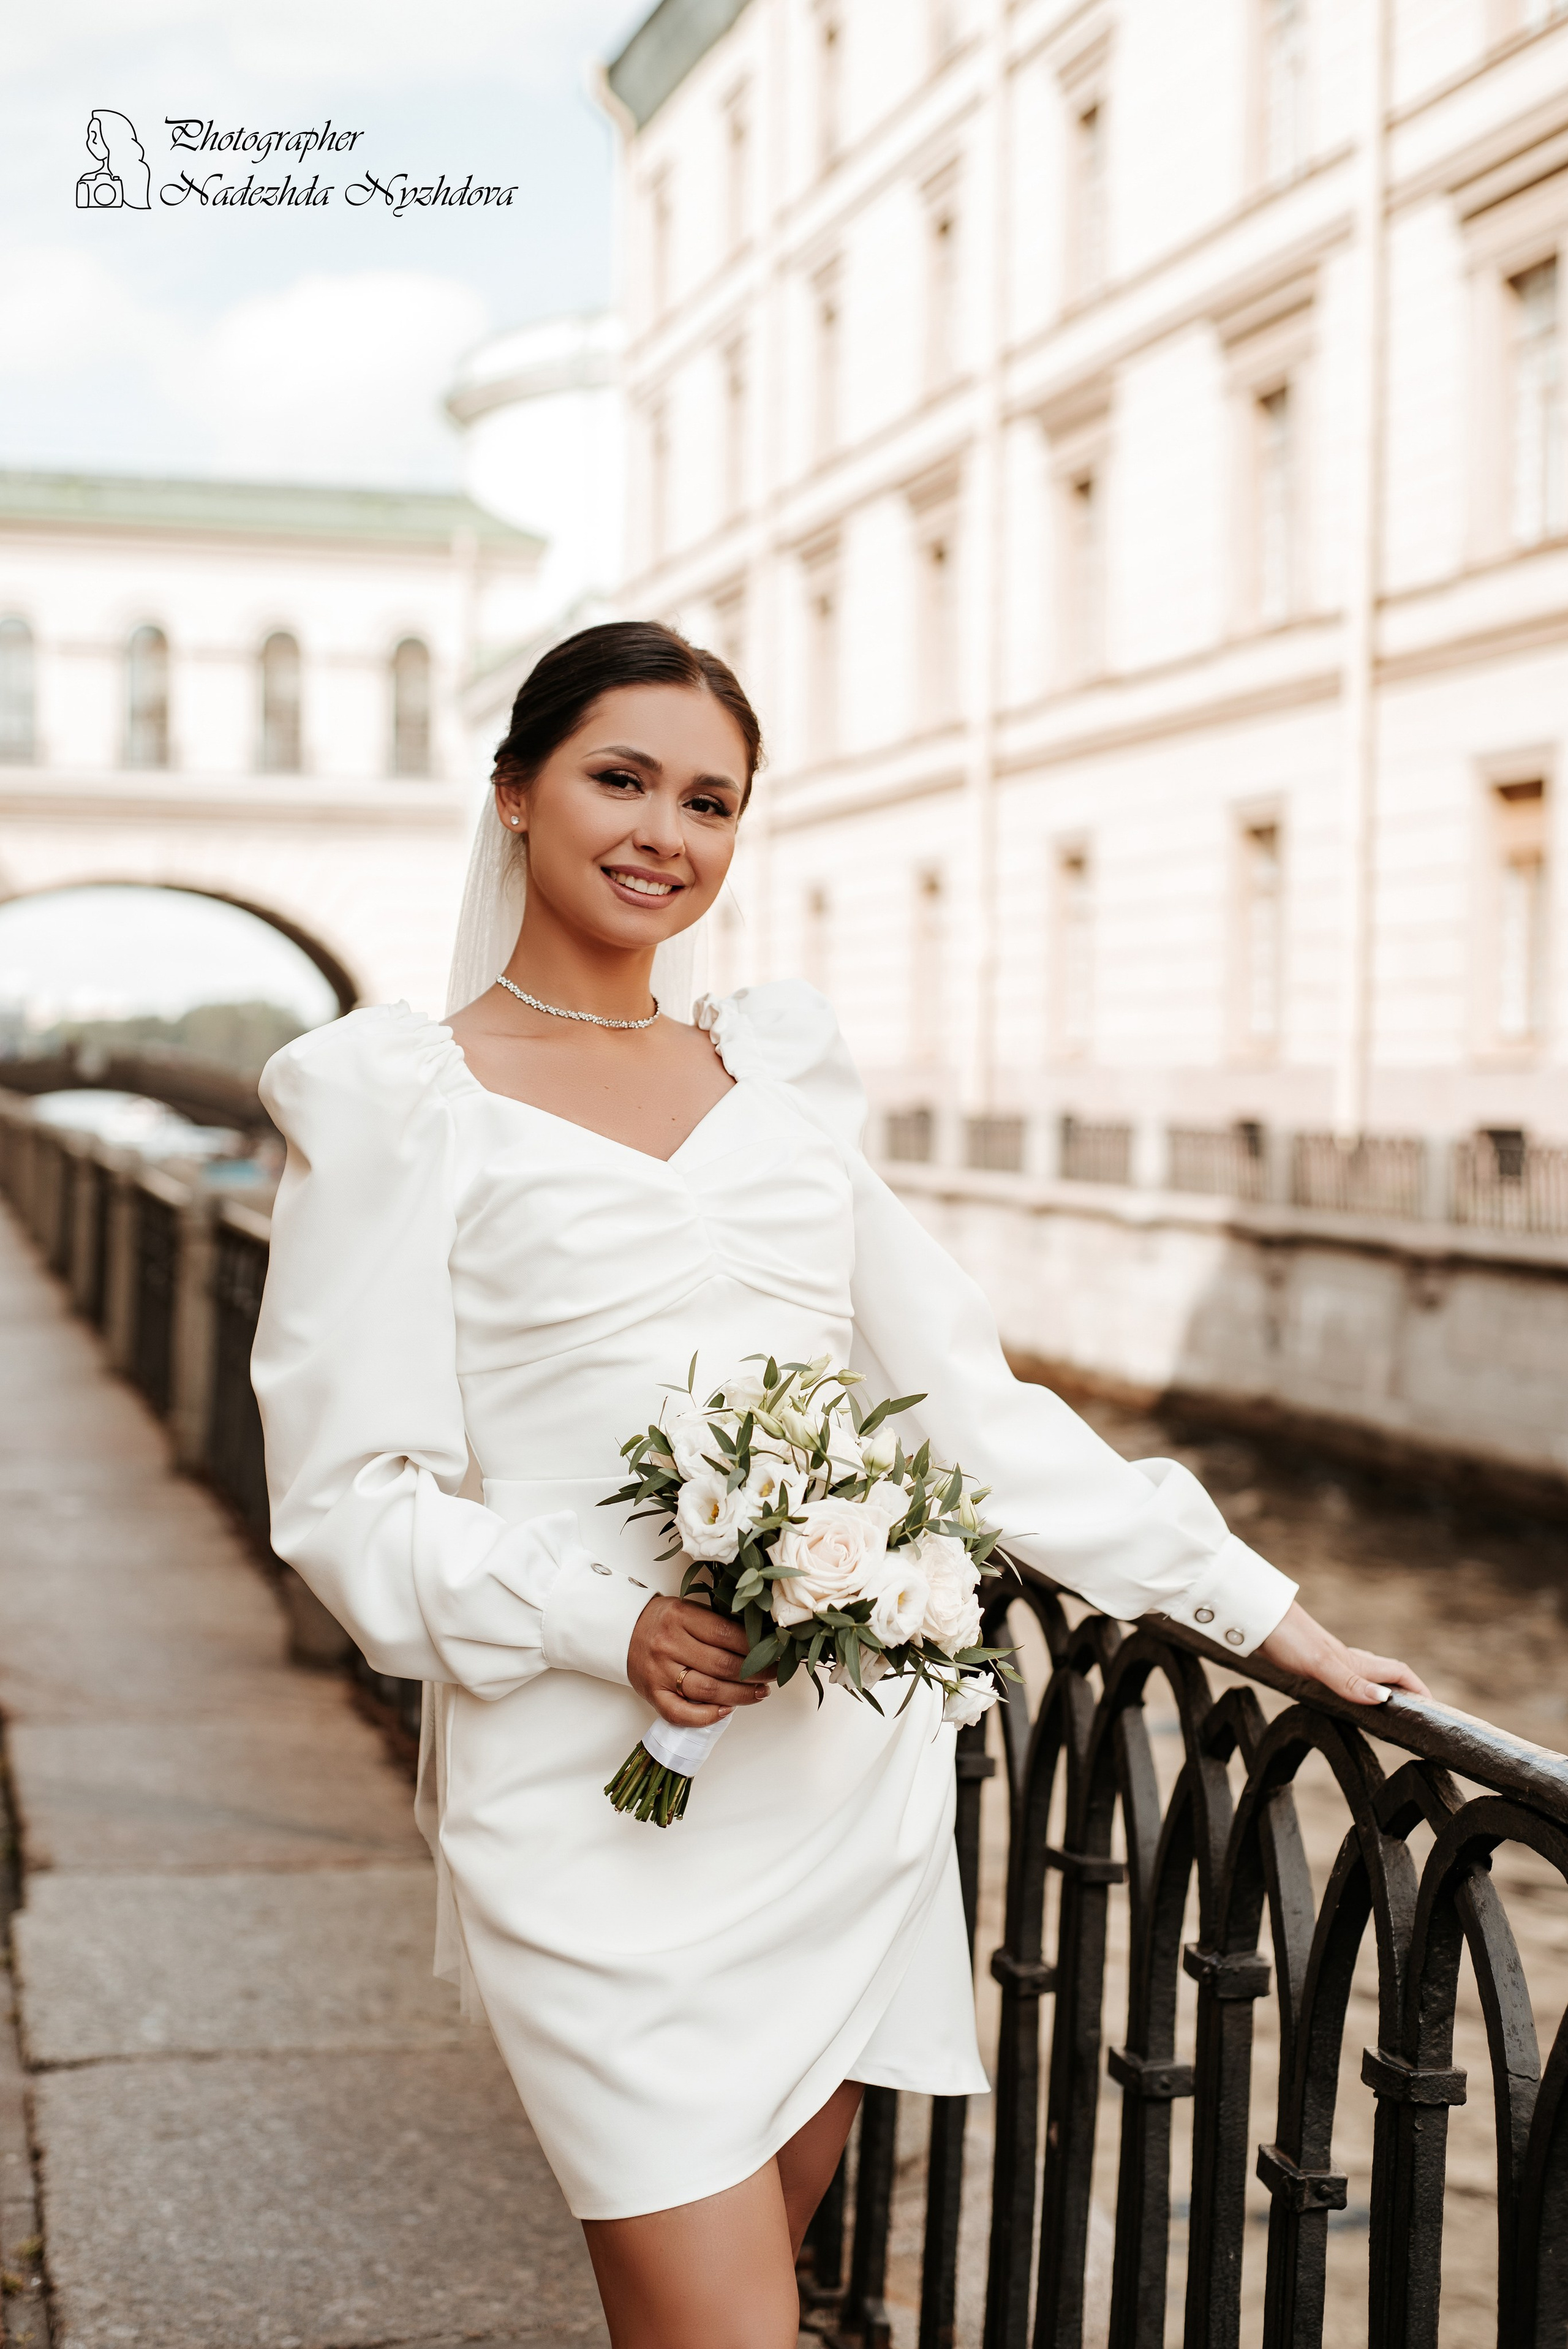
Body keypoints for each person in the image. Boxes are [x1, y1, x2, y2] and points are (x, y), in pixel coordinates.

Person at [252, 621, 1428, 2349]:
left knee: (748, 2297)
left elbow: (959, 1400)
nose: (666, 829)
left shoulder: (781, 1078)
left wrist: (1260, 1610)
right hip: (588, 1785)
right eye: (621, 777)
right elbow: (347, 1495)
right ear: (515, 792)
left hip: (837, 1779)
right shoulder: (400, 1100)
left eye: (711, 799)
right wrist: (612, 1621)